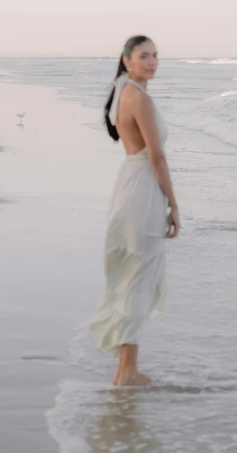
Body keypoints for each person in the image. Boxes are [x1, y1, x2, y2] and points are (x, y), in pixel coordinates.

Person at [89, 35, 181, 386]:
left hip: (130, 183)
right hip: (143, 188)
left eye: (156, 55)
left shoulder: (123, 90)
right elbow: (156, 156)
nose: (153, 61)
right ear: (127, 60)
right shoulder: (137, 97)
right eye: (144, 56)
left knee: (133, 275)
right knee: (139, 278)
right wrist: (173, 203)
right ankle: (127, 371)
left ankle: (124, 369)